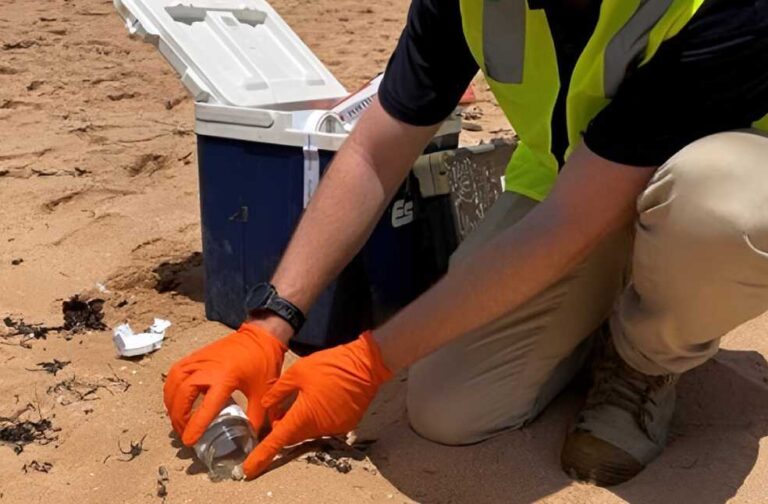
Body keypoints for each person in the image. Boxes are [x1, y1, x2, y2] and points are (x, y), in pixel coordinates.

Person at [163, 0, 768, 487]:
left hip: (711, 189)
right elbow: (376, 150)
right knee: (451, 408)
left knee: (725, 213)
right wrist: (271, 323)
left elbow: (573, 224)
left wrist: (367, 361)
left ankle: (647, 362)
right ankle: (604, 312)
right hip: (567, 187)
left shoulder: (715, 9)